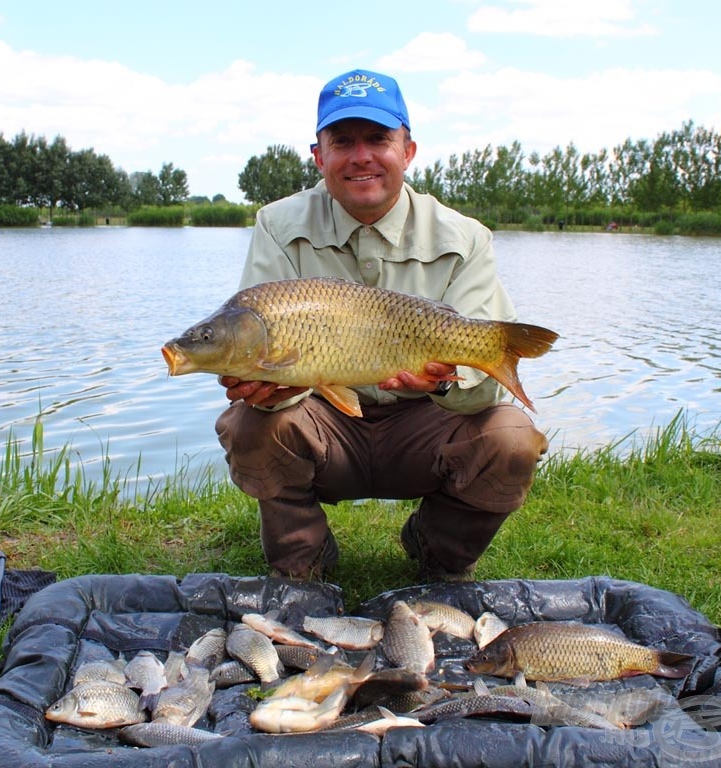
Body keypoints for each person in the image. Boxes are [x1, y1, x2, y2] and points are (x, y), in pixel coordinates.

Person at [215, 69, 549, 582]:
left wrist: (441, 380)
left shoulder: (465, 237)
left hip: (424, 423)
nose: (361, 156)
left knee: (512, 438)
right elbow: (262, 343)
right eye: (342, 141)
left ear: (408, 151)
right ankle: (302, 559)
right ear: (318, 156)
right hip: (325, 420)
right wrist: (265, 387)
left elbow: (481, 395)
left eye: (378, 139)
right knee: (248, 424)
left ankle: (438, 550)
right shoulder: (277, 225)